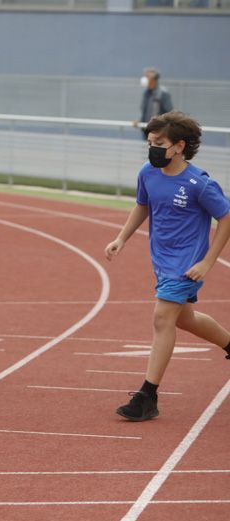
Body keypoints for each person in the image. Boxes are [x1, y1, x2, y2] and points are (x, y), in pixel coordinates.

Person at [105, 111, 230, 421]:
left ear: (179, 146)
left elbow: (226, 217)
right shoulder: (148, 173)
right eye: (150, 142)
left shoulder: (199, 184)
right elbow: (142, 205)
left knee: (162, 320)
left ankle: (147, 396)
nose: (153, 148)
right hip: (161, 260)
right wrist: (121, 238)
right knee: (184, 319)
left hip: (187, 265)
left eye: (159, 143)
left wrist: (207, 261)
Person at [134, 67, 173, 140]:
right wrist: (139, 121)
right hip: (146, 130)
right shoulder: (146, 93)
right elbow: (144, 111)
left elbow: (170, 113)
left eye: (147, 76)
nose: (144, 78)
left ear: (153, 78)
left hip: (158, 132)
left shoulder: (163, 93)